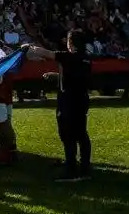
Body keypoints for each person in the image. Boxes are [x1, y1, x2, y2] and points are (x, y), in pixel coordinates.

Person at [24, 31, 93, 181]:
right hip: (81, 100)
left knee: (67, 134)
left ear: (71, 43)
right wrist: (57, 76)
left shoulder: (68, 56)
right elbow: (75, 77)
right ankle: (85, 167)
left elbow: (47, 53)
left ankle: (70, 168)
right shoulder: (86, 58)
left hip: (68, 101)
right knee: (81, 133)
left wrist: (29, 47)